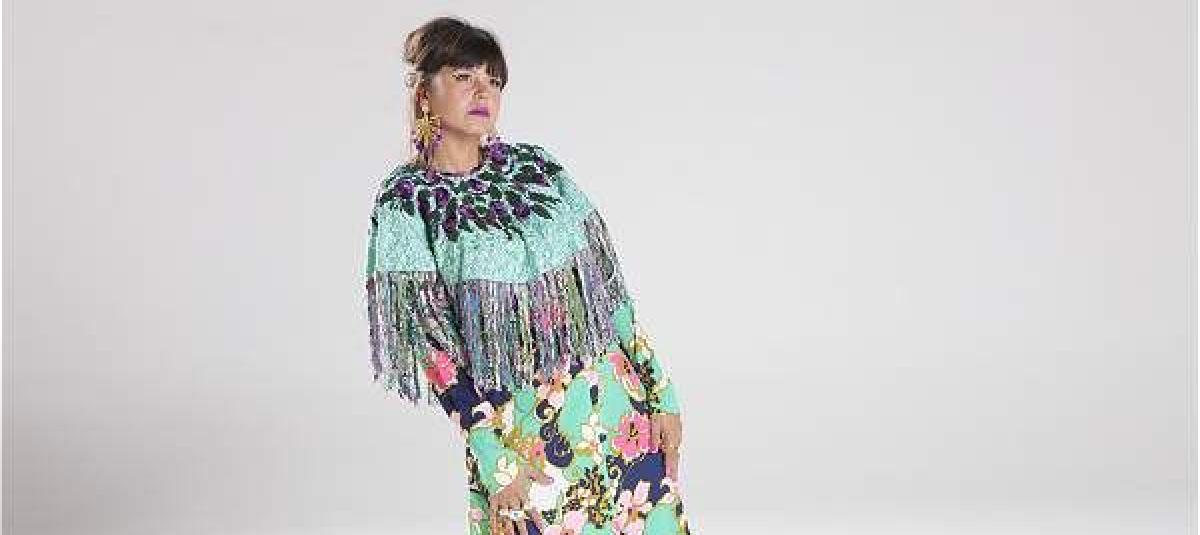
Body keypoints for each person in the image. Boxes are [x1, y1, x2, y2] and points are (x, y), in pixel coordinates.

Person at [363, 16, 693, 535]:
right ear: (425, 93)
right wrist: (492, 457)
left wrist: (662, 393)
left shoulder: (538, 170)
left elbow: (607, 291)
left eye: (493, 81)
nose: (483, 92)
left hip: (618, 412)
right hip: (520, 437)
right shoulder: (407, 201)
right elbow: (434, 347)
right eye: (464, 76)